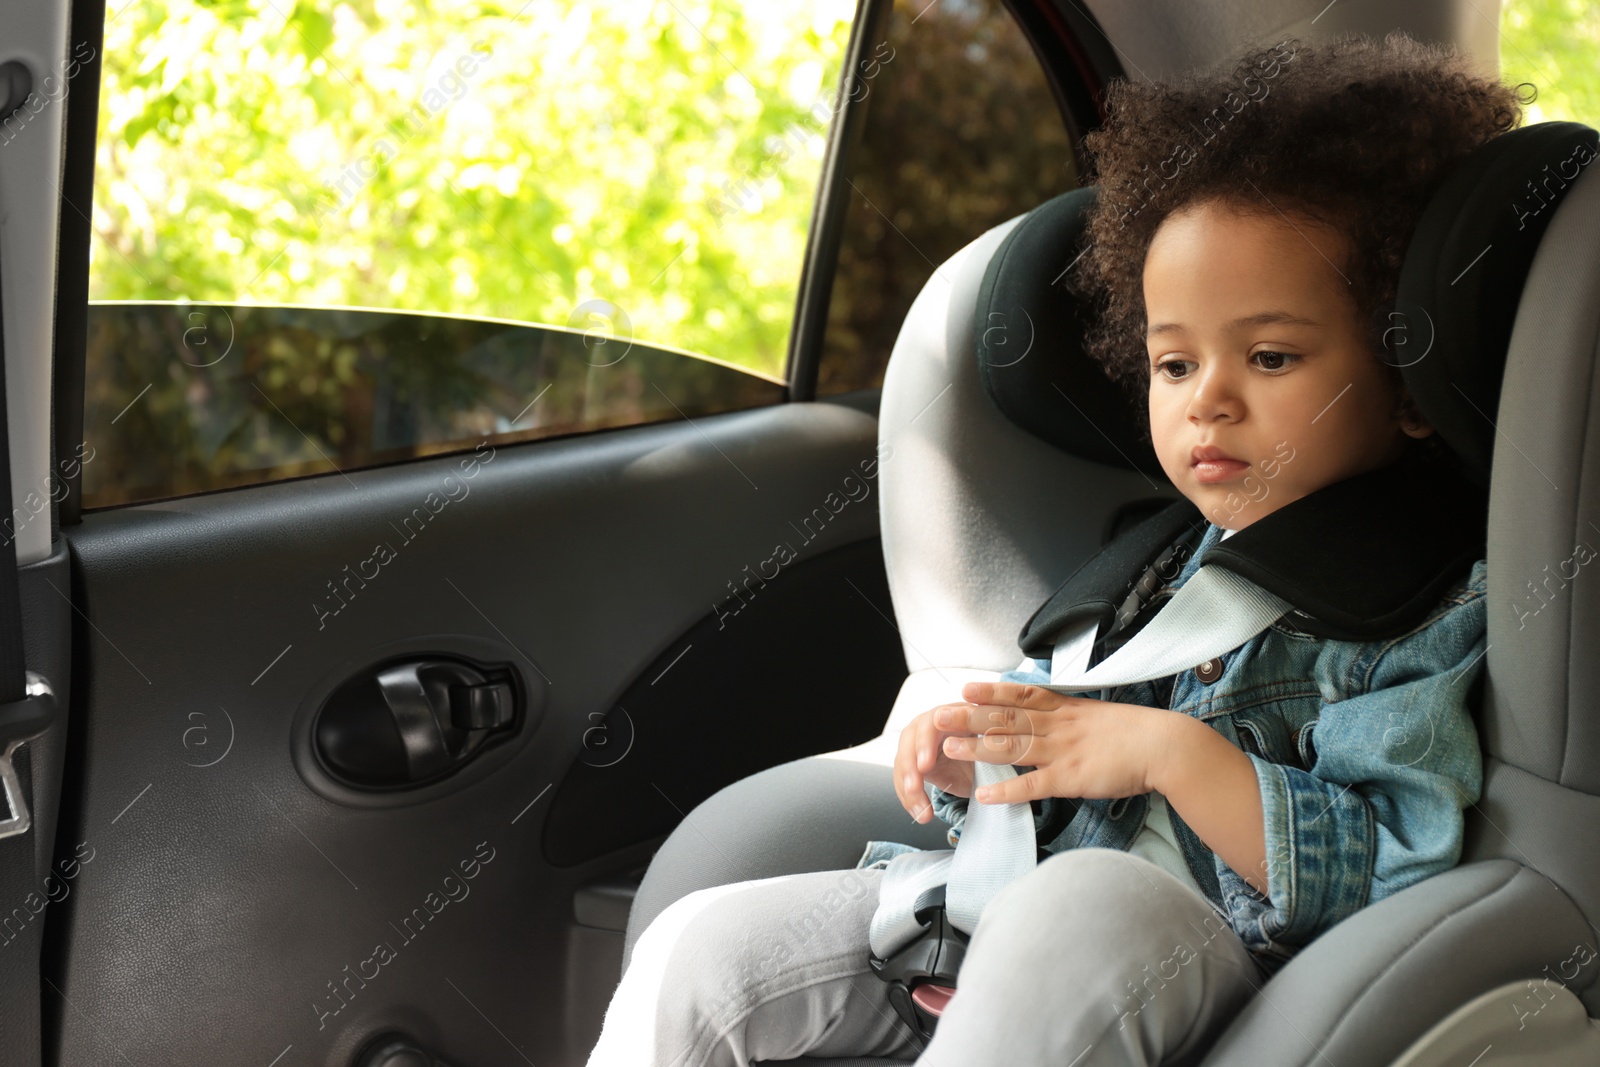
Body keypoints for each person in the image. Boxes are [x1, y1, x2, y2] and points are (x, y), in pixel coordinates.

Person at [586, 30, 1525, 1067]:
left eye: (1268, 356)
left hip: (1214, 957)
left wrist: (1173, 755)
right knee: (695, 951)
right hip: (988, 920)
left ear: (1407, 382)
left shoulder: (1429, 605)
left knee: (1083, 901)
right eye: (1173, 363)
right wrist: (969, 748)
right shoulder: (1147, 573)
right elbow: (1047, 739)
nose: (1207, 397)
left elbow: (1393, 869)